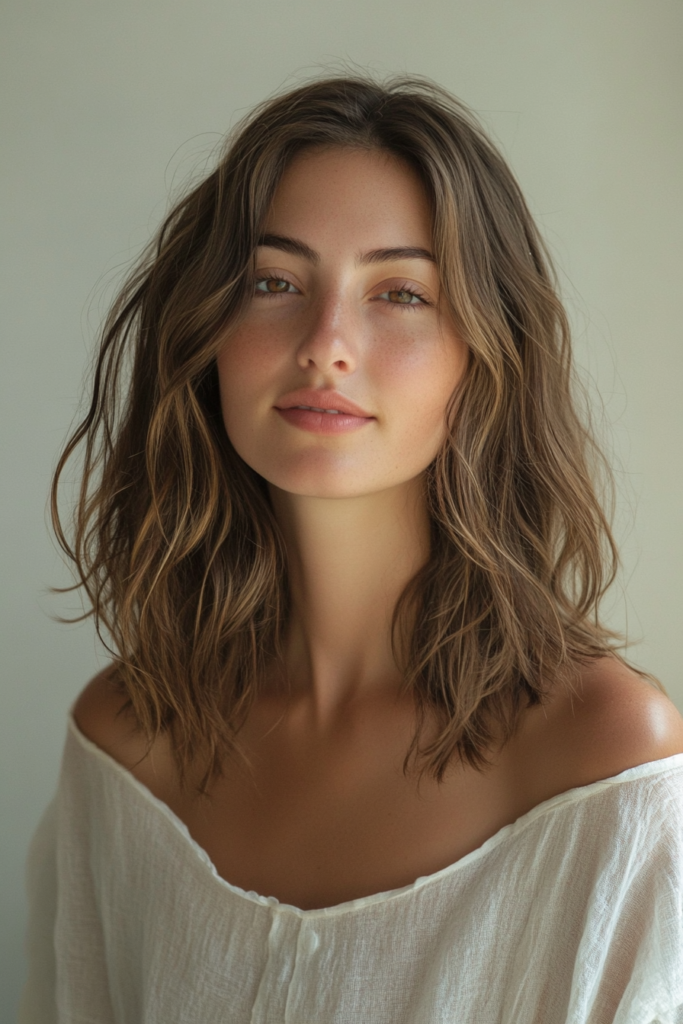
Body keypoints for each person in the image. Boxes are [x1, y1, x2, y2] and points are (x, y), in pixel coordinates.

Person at [20, 73, 683, 1023]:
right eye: (274, 283)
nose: (325, 343)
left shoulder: (603, 762)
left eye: (400, 293)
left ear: (486, 355)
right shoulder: (126, 750)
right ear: (205, 335)